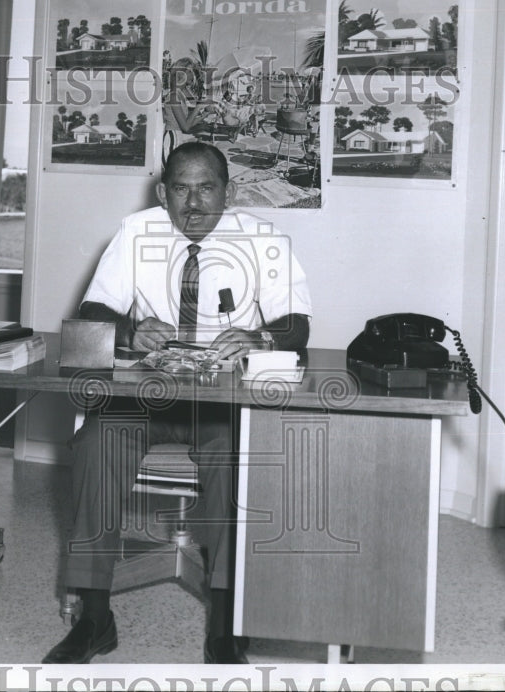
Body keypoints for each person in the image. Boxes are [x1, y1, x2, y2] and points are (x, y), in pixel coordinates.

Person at [44, 141, 312, 664]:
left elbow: (297, 325)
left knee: (238, 458)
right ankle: (94, 615)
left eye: (206, 188)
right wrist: (130, 329)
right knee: (98, 443)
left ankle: (225, 622)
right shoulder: (136, 232)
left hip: (220, 399)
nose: (193, 203)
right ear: (163, 194)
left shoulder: (264, 240)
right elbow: (93, 312)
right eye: (181, 190)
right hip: (147, 392)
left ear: (228, 192)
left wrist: (259, 340)